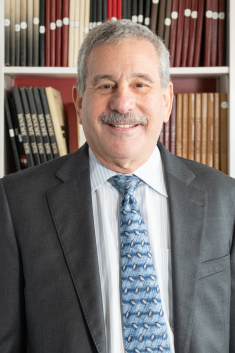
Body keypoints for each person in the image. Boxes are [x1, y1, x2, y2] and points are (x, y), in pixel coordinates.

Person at [0, 19, 234, 353]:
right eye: (106, 85)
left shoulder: (226, 198)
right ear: (79, 101)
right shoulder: (16, 202)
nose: (122, 104)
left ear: (167, 101)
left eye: (140, 85)